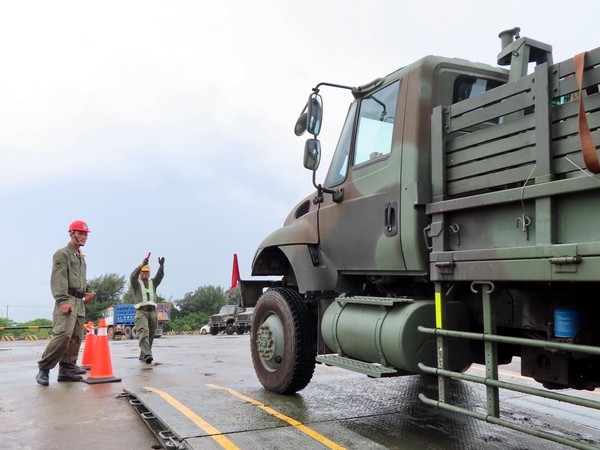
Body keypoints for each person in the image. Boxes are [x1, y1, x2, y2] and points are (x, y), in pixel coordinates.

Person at [36, 220, 96, 386]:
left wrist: (89, 292)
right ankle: (44, 368)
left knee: (76, 337)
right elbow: (59, 278)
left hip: (79, 301)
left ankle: (67, 369)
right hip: (67, 299)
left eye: (85, 234)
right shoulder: (62, 254)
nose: (83, 237)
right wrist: (62, 300)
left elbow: (82, 280)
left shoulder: (81, 257)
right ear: (72, 234)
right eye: (80, 233)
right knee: (63, 335)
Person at [130, 256, 164, 363]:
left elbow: (159, 276)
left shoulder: (152, 283)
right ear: (140, 272)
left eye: (147, 272)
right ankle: (148, 354)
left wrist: (161, 266)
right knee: (143, 332)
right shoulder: (136, 283)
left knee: (151, 335)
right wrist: (140, 265)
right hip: (142, 312)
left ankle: (143, 354)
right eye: (143, 271)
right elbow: (132, 276)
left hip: (152, 312)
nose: (146, 273)